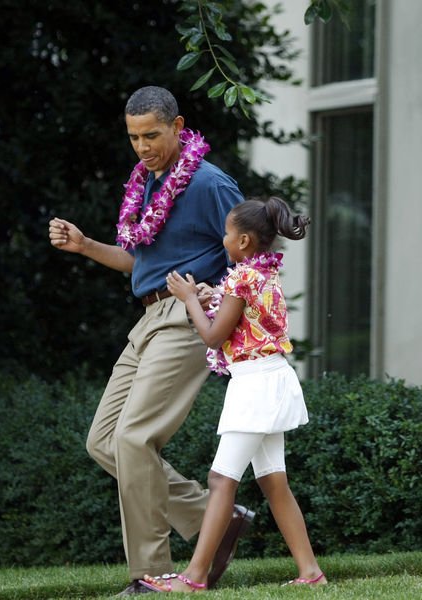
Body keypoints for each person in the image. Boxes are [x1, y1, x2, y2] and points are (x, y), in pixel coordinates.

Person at [47, 86, 253, 596]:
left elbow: (251, 254)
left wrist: (218, 295)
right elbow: (141, 261)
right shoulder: (147, 183)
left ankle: (152, 575)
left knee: (135, 438)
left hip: (185, 319)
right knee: (104, 441)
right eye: (134, 137)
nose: (142, 146)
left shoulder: (207, 184)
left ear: (179, 127)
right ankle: (215, 518)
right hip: (146, 319)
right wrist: (85, 245)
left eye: (152, 135)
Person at [139, 197, 327, 593]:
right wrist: (209, 297)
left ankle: (194, 577)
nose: (222, 237)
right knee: (274, 482)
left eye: (226, 232)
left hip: (256, 388)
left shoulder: (242, 279)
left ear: (243, 241)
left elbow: (212, 335)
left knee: (221, 480)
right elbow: (236, 317)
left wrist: (190, 299)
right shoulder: (261, 274)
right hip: (272, 380)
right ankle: (310, 572)